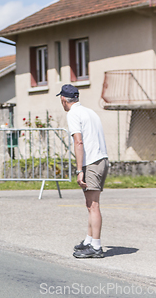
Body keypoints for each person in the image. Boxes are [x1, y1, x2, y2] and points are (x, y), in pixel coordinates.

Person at [58, 84, 109, 258]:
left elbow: (78, 142)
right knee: (90, 204)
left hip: (92, 162)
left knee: (93, 205)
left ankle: (96, 247)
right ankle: (89, 240)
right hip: (102, 159)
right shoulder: (90, 112)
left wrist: (79, 170)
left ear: (63, 100)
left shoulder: (73, 114)